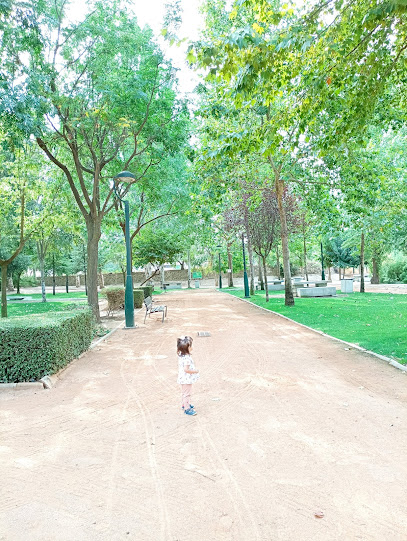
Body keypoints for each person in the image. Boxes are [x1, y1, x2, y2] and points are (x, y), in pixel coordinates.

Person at [177, 335, 200, 416]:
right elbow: (186, 369)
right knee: (187, 393)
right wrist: (195, 371)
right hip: (187, 378)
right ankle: (187, 408)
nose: (192, 347)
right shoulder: (187, 358)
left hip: (182, 377)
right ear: (187, 348)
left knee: (184, 392)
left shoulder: (181, 355)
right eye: (190, 345)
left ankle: (184, 404)